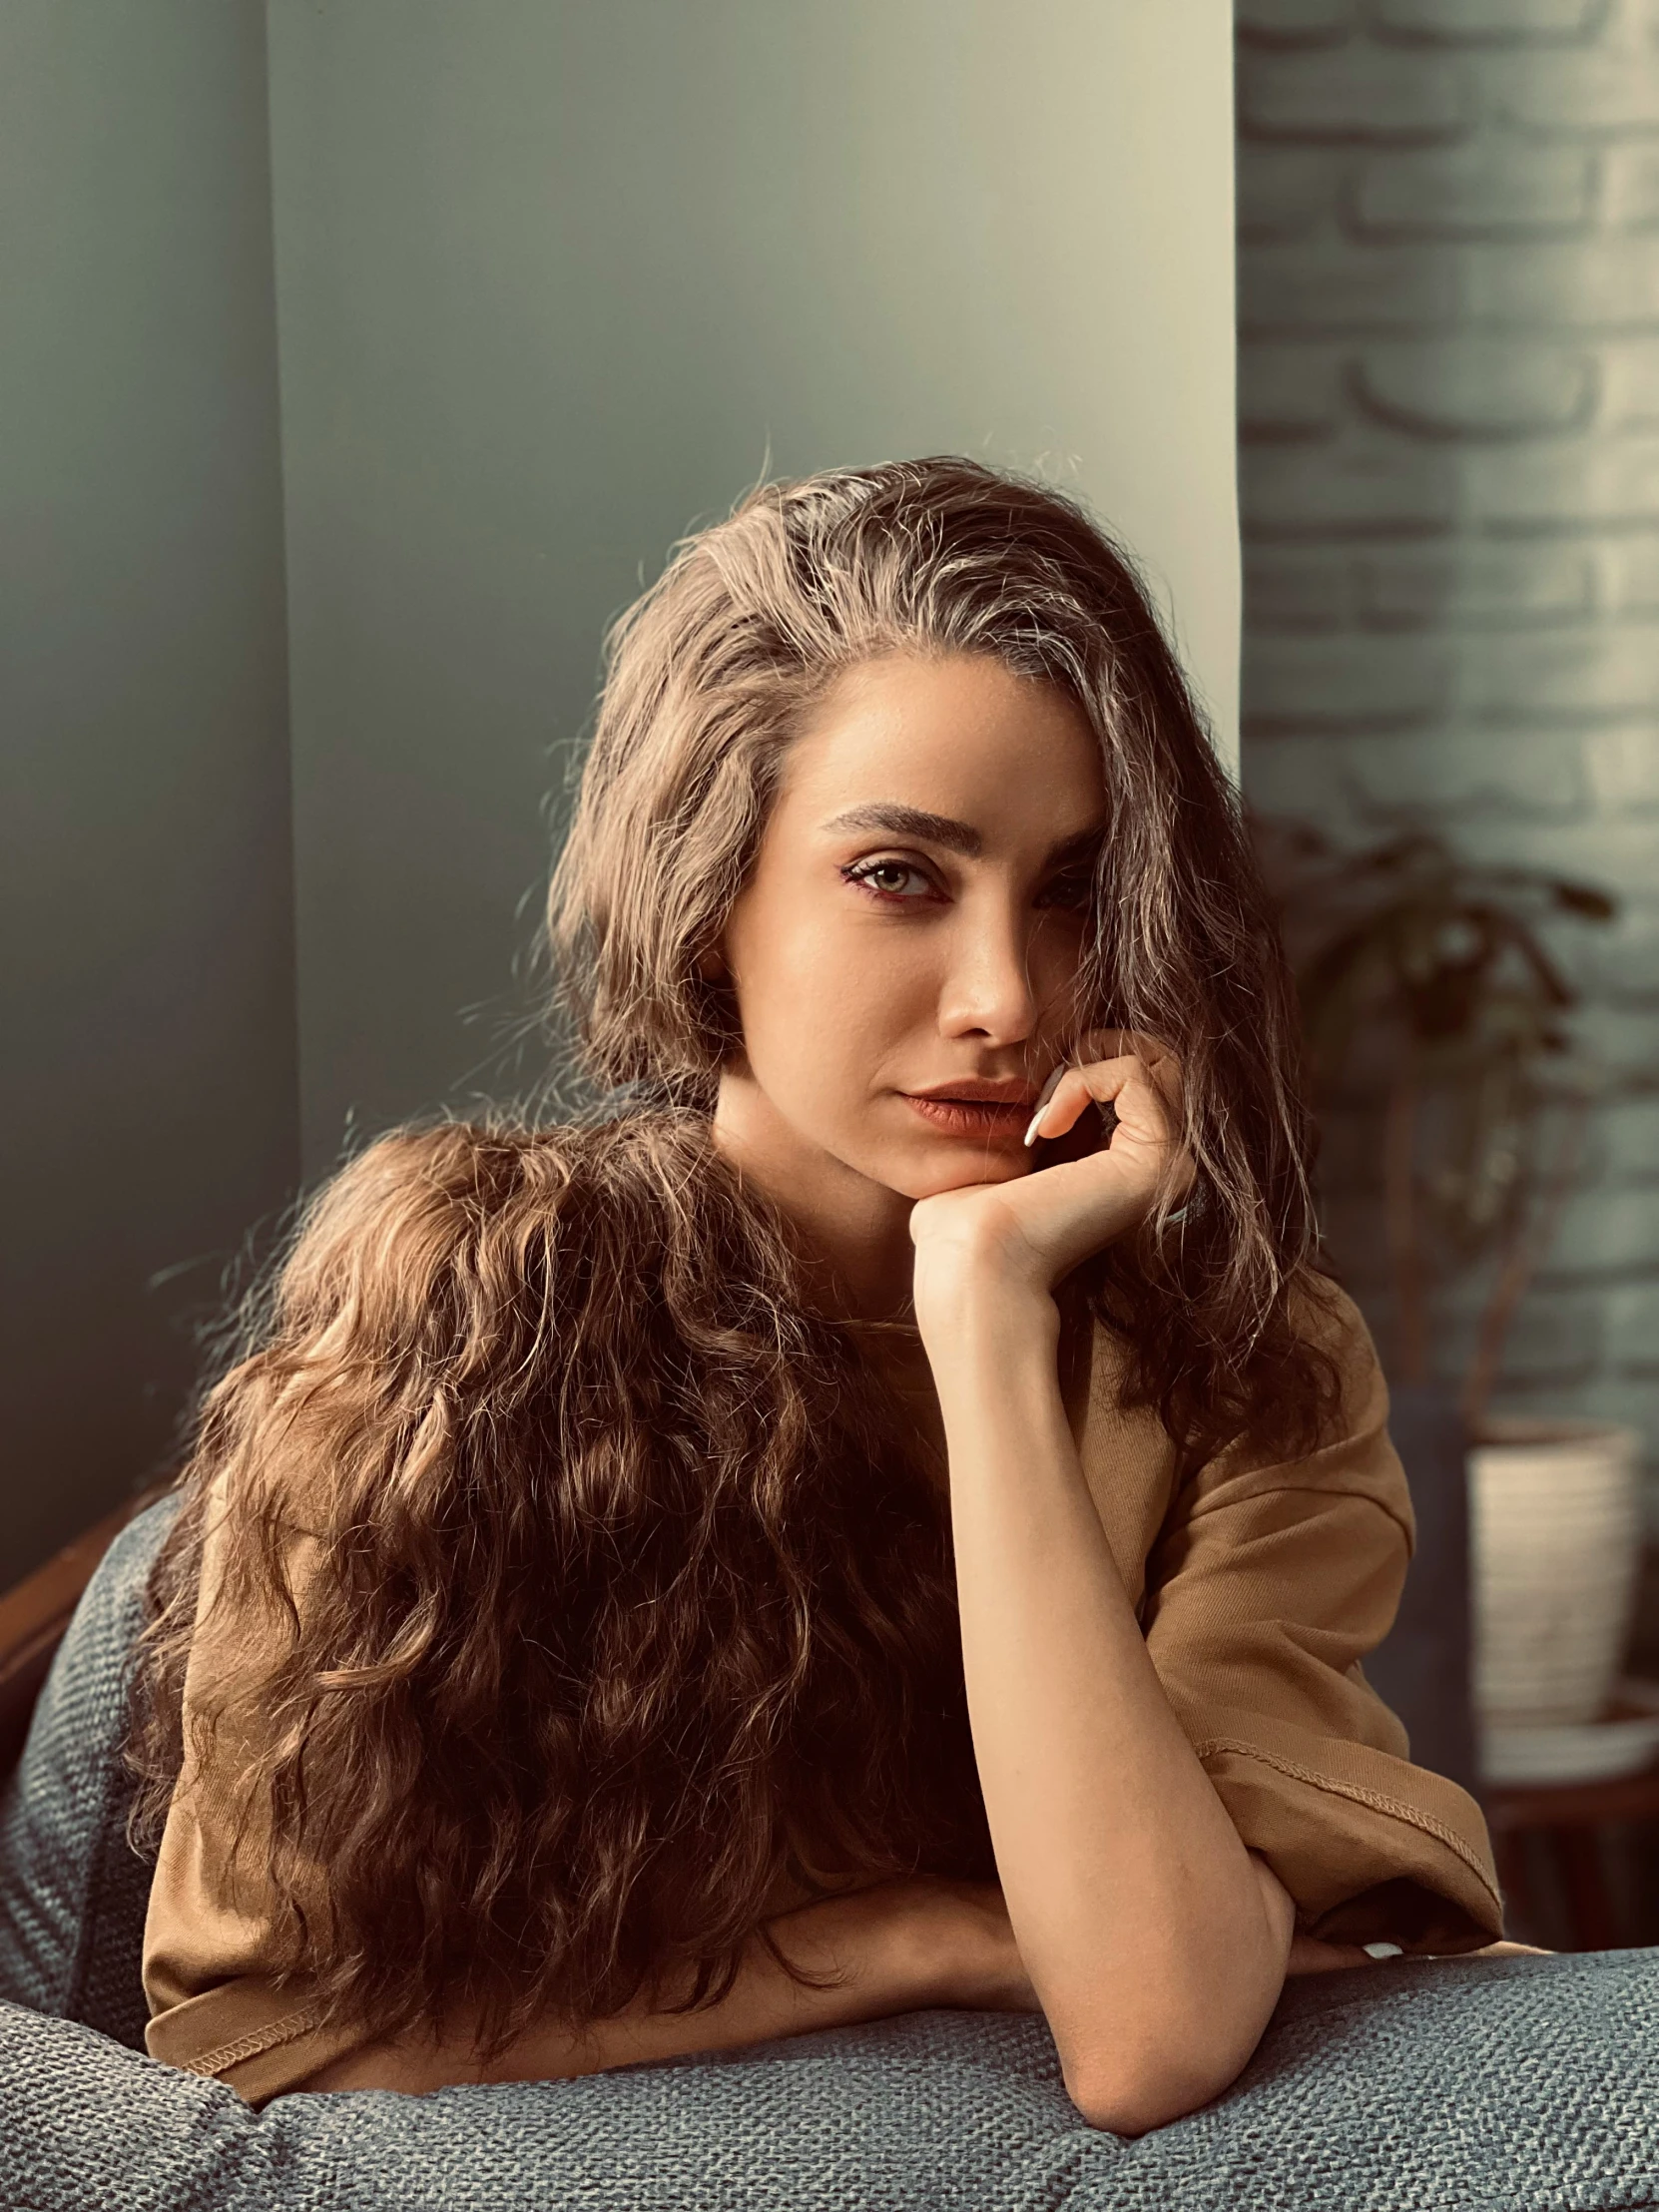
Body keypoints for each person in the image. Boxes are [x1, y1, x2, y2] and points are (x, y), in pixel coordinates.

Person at [126, 458, 1505, 2136]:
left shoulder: (1242, 1364)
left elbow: (1152, 2027)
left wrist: (985, 1321)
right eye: (898, 877)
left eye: (1070, 894)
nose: (1005, 998)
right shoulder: (470, 1324)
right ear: (714, 900)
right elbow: (248, 2033)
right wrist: (898, 1944)